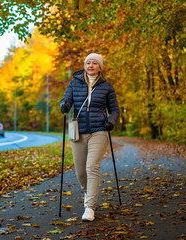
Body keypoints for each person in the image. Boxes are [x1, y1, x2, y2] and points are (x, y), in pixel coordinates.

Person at [60, 53, 120, 221]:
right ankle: (88, 193)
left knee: (92, 166)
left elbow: (115, 110)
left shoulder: (107, 87)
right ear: (84, 65)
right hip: (78, 131)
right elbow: (66, 100)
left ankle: (89, 207)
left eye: (95, 63)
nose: (91, 65)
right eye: (88, 63)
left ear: (100, 67)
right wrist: (64, 105)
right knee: (80, 171)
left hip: (99, 130)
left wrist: (111, 122)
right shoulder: (74, 83)